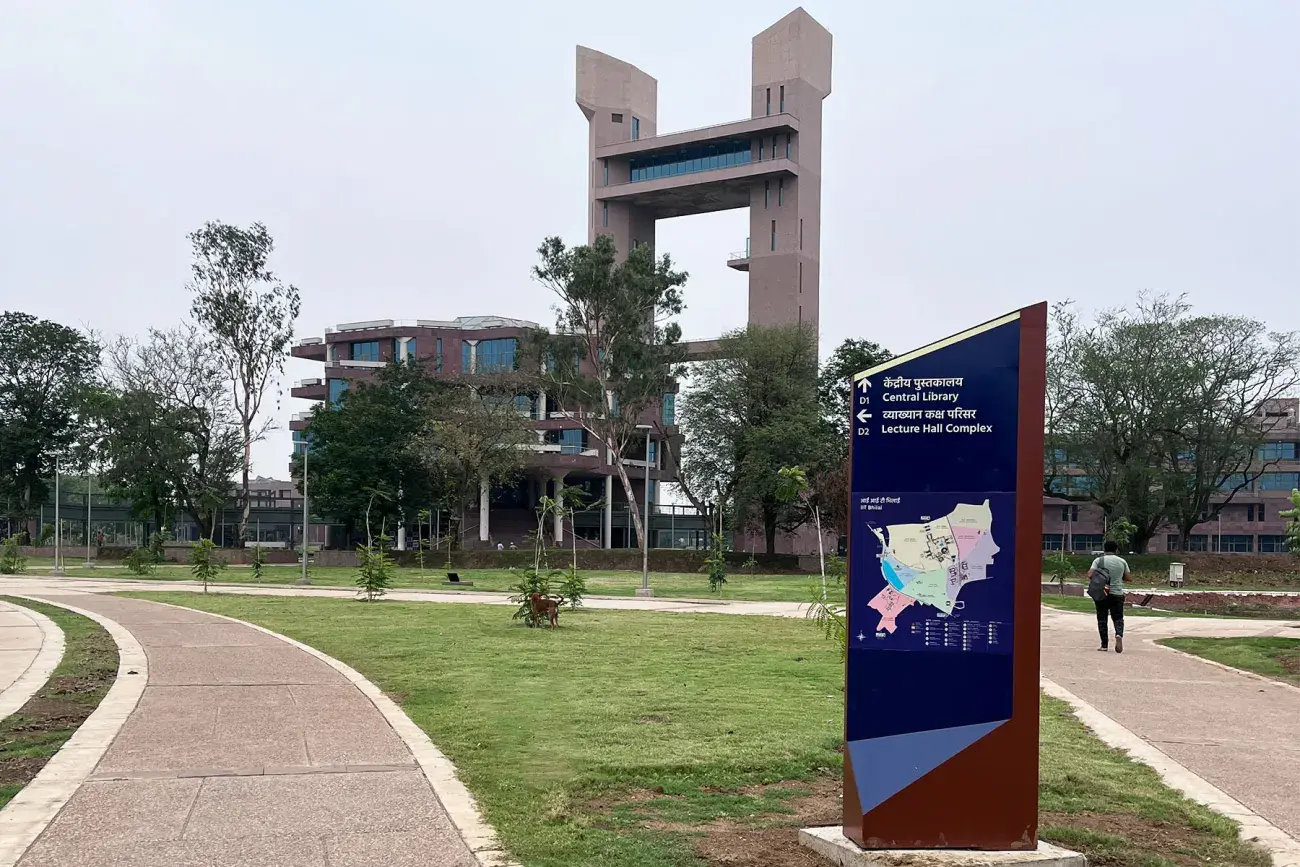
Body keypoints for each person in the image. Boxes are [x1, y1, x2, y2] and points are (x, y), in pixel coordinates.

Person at [1088, 540, 1130, 653]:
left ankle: (1104, 645)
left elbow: (1090, 574)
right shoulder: (1122, 561)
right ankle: (1119, 634)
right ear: (1116, 550)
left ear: (1104, 549)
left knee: (1102, 618)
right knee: (1118, 617)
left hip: (1102, 593)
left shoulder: (1099, 560)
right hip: (1117, 593)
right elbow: (1127, 578)